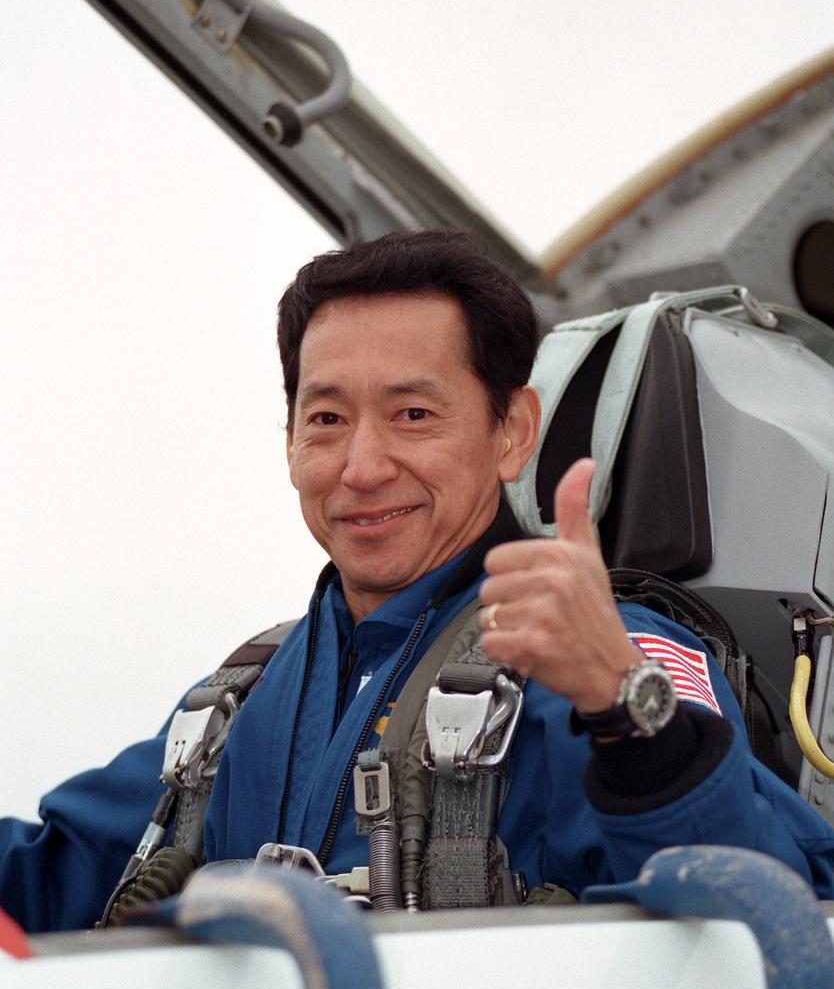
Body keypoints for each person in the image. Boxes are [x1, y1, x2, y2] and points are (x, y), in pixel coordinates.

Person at [5, 229, 834, 931]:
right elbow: (43, 885)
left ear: (512, 433)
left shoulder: (599, 663)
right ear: (289, 439)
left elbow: (760, 918)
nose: (362, 468)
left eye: (413, 414)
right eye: (326, 419)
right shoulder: (237, 704)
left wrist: (627, 712)